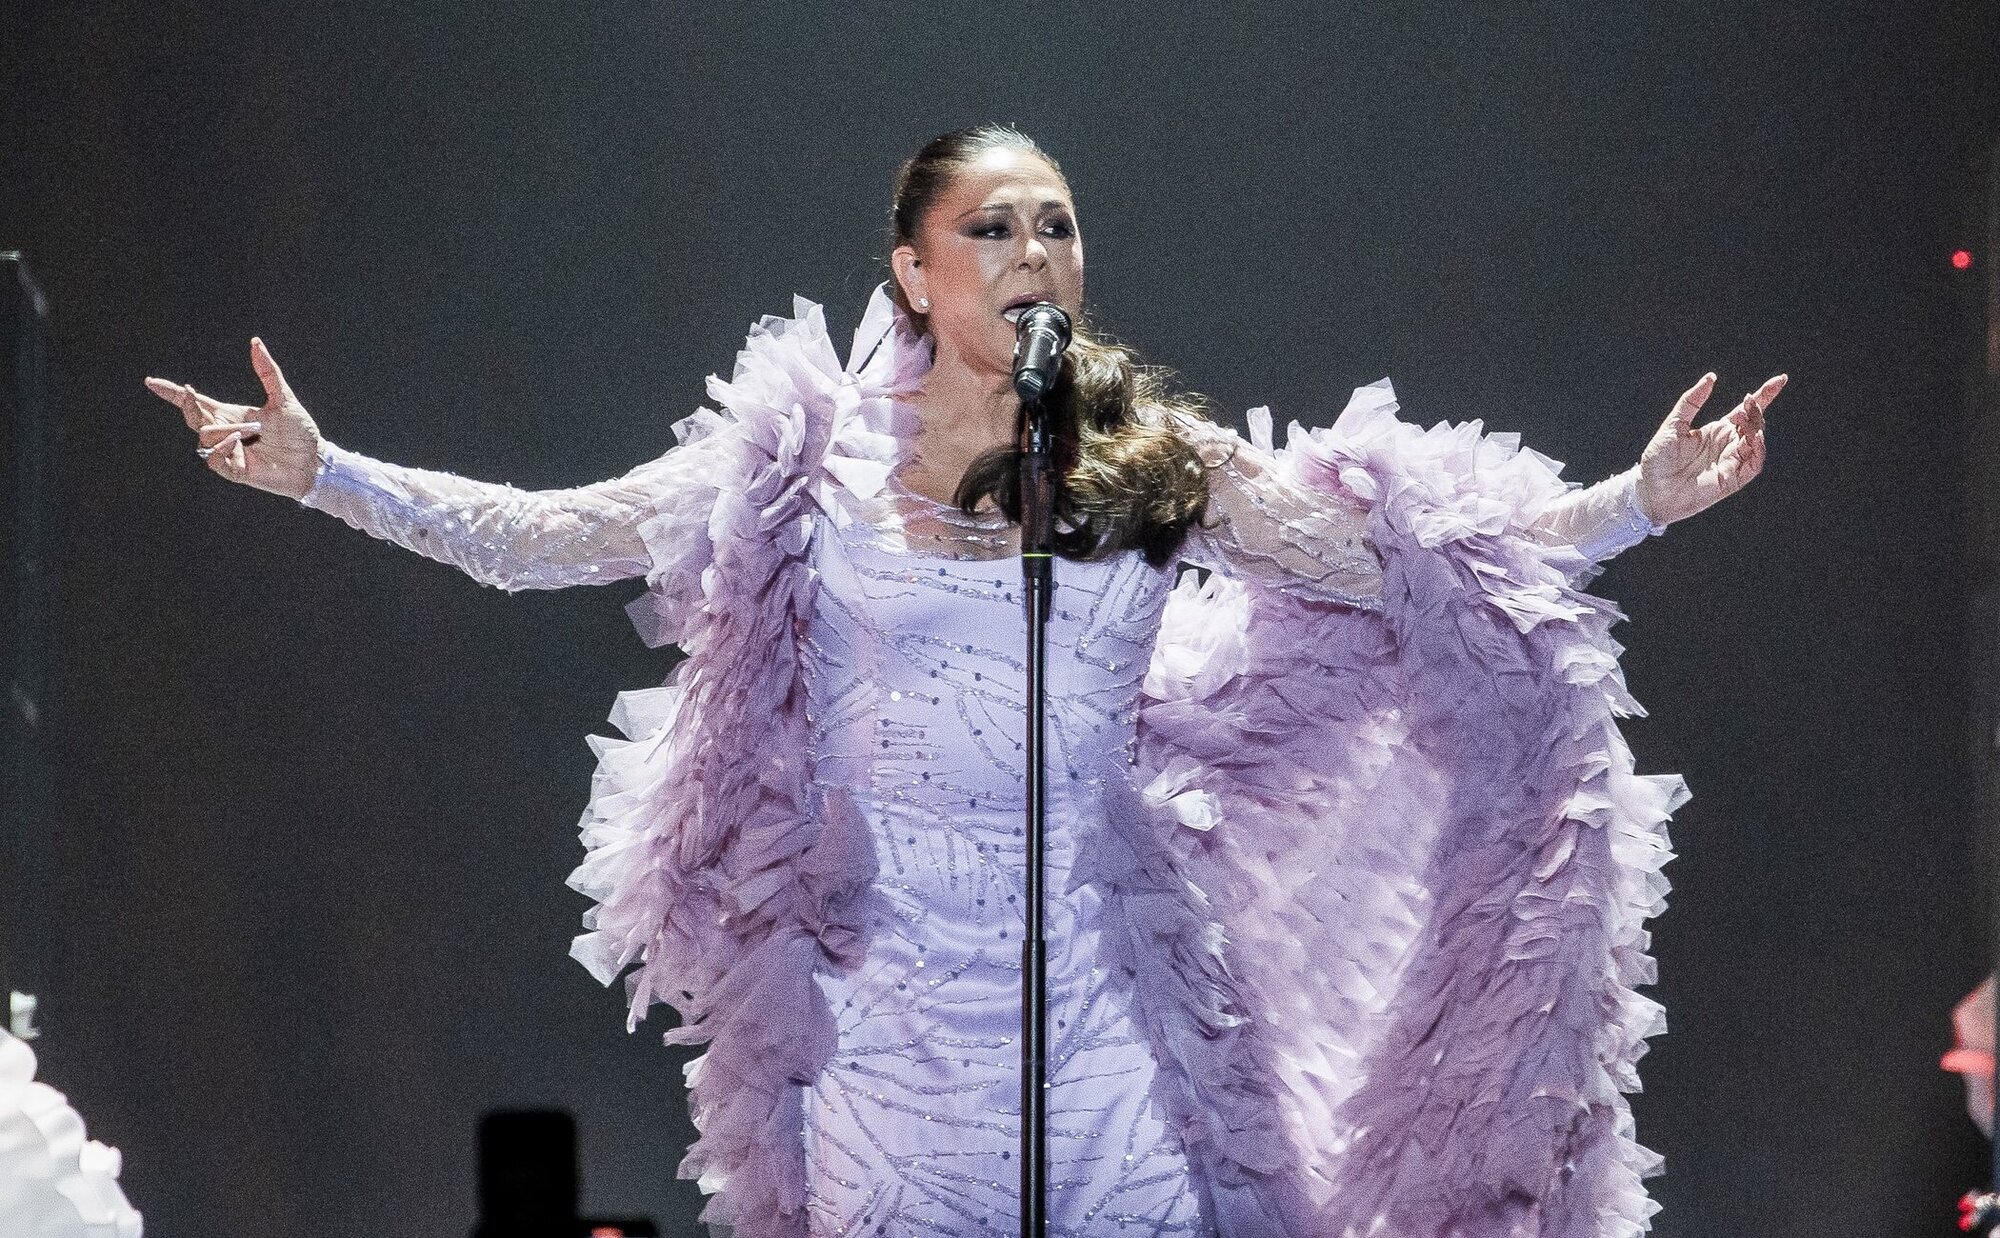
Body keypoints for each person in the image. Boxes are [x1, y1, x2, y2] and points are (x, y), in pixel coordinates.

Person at [144, 125, 1784, 1238]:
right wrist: (325, 474)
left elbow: (1413, 572)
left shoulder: (1158, 463)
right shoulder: (805, 461)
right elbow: (552, 537)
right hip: (883, 1026)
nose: (1030, 250)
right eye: (987, 226)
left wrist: (1639, 500)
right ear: (915, 271)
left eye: (1056, 225)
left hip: (1115, 1013)